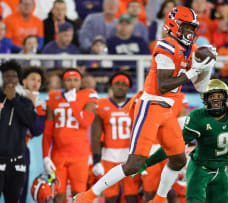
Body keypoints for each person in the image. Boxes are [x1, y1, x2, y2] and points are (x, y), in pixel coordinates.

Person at [74, 6, 216, 203]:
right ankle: (87, 196)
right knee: (133, 164)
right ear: (174, 26)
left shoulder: (190, 50)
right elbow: (163, 85)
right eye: (187, 28)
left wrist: (206, 68)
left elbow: (201, 88)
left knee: (178, 159)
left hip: (167, 110)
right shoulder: (166, 46)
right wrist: (192, 71)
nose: (190, 33)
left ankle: (159, 199)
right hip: (150, 107)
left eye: (193, 28)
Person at [135, 79, 228, 203]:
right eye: (211, 97)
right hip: (200, 169)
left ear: (226, 98)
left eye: (219, 97)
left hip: (220, 169)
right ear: (205, 99)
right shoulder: (198, 117)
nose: (215, 100)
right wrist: (148, 162)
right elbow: (175, 146)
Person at [42, 68, 98, 202]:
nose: (72, 83)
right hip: (58, 154)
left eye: (75, 80)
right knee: (58, 194)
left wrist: (72, 102)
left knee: (78, 194)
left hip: (79, 155)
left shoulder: (89, 95)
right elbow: (48, 130)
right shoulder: (53, 97)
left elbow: (85, 123)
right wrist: (45, 156)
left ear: (81, 82)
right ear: (63, 82)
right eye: (68, 80)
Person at [91, 72, 139, 203]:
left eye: (124, 84)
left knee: (131, 196)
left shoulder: (136, 104)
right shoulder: (101, 104)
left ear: (129, 88)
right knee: (110, 197)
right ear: (111, 86)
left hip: (130, 156)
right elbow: (95, 135)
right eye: (117, 83)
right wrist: (96, 160)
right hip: (108, 157)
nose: (120, 87)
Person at [0, 60, 37, 202]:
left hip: (17, 162)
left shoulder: (25, 102)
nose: (10, 79)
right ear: (2, 78)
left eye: (14, 76)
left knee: (14, 200)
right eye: (7, 76)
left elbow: (30, 122)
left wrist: (14, 99)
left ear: (18, 79)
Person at [19, 66, 47, 203]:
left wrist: (32, 105)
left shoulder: (41, 105)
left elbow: (36, 130)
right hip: (4, 149)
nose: (36, 83)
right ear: (23, 81)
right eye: (32, 79)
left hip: (22, 150)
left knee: (20, 193)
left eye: (39, 80)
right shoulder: (12, 97)